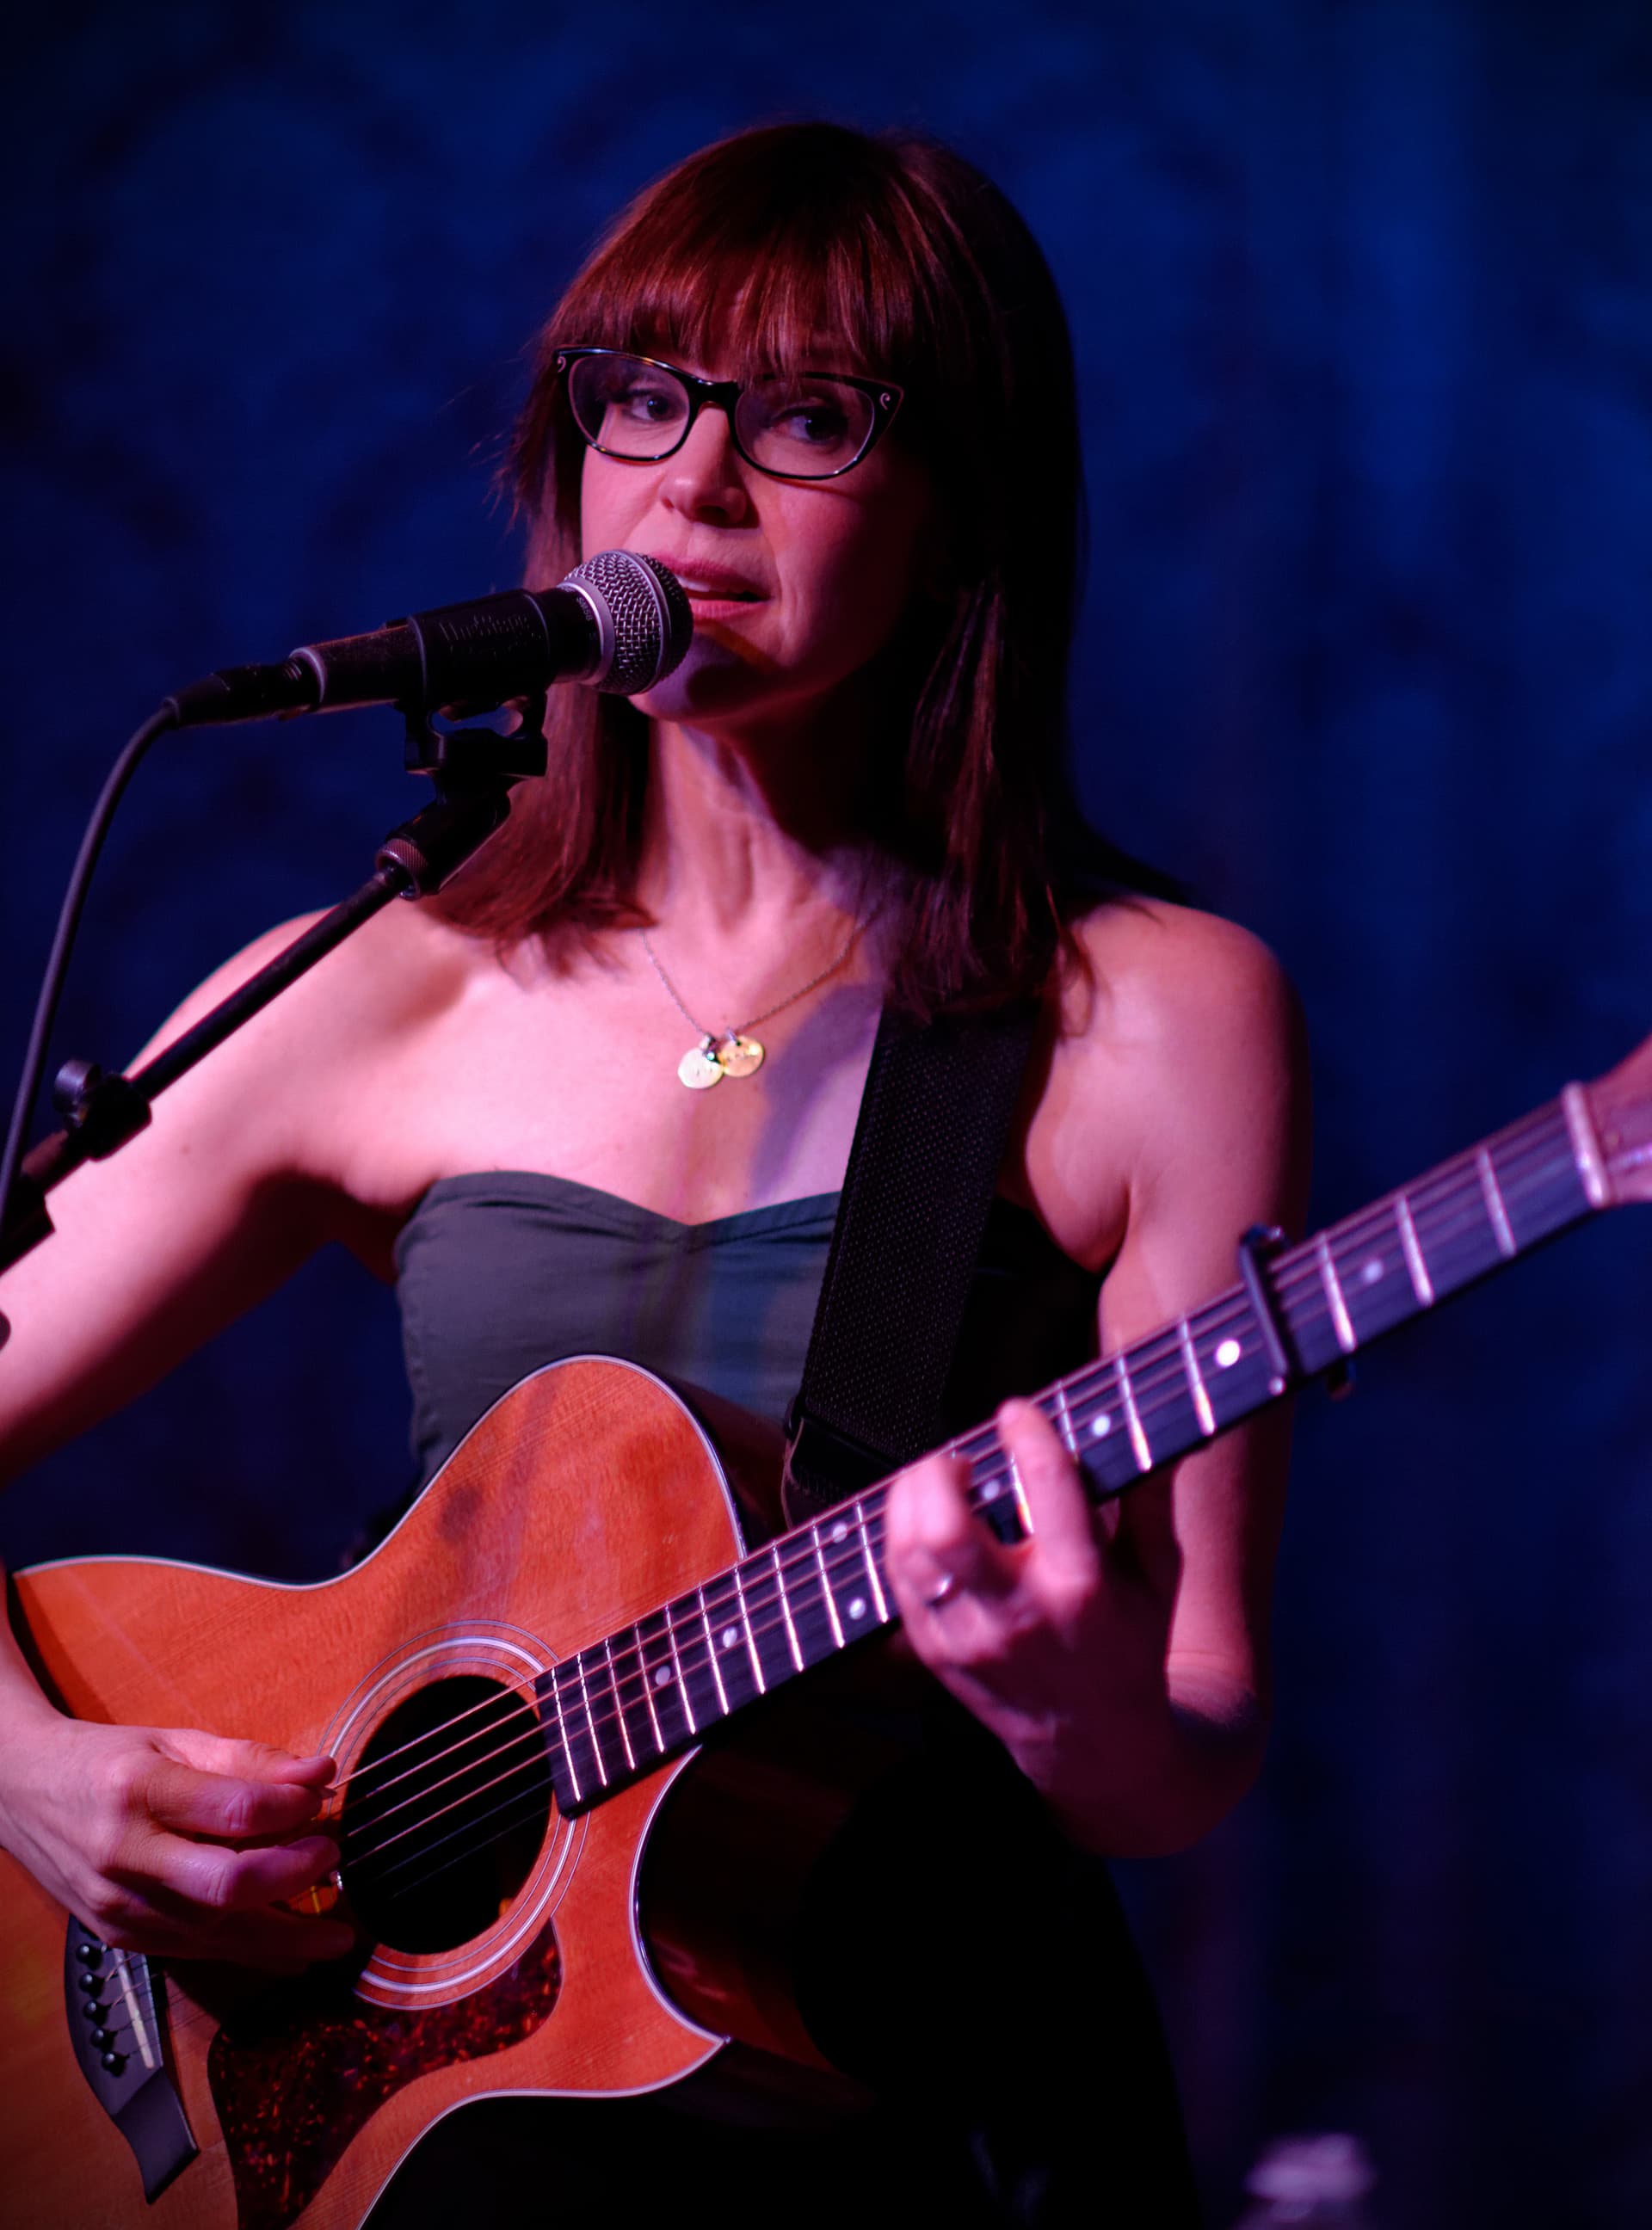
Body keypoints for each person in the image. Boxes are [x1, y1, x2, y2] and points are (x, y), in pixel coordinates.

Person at [0, 123, 1308, 2224]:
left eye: (808, 419)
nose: (694, 485)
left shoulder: (1149, 1013)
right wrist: (37, 1775)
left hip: (910, 2100)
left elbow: (1197, 1734)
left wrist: (1073, 1720)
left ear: (963, 501)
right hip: (430, 2143)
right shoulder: (381, 992)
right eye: (644, 397)